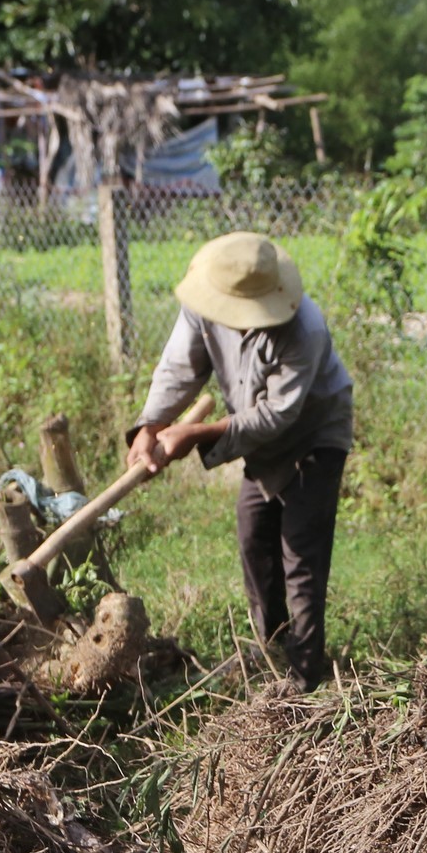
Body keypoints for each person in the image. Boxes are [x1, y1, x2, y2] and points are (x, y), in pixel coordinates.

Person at [128, 231, 354, 690]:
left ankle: (304, 676)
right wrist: (151, 426)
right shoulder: (205, 305)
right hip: (258, 441)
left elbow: (277, 414)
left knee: (300, 554)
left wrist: (195, 434)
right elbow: (179, 369)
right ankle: (270, 648)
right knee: (255, 539)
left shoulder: (302, 328)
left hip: (313, 437)